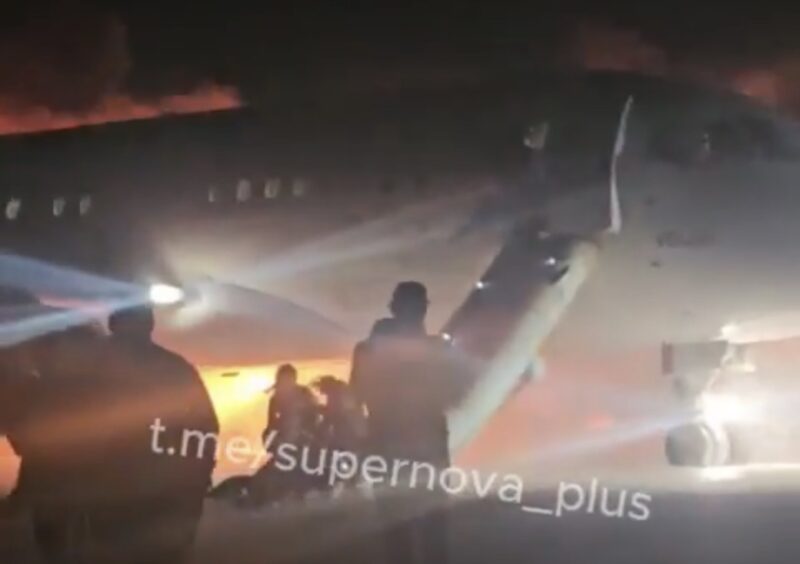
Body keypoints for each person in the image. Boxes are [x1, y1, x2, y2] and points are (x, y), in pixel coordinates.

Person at [92, 304, 219, 563]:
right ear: (150, 325)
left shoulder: (92, 372)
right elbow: (206, 425)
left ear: (113, 326)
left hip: (114, 490)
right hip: (164, 488)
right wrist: (199, 474)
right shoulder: (177, 368)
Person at [350, 281, 456, 564]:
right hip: (426, 447)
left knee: (396, 530)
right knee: (432, 528)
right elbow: (451, 394)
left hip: (386, 445)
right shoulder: (437, 349)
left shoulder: (366, 350)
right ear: (422, 310)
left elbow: (355, 398)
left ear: (393, 308)